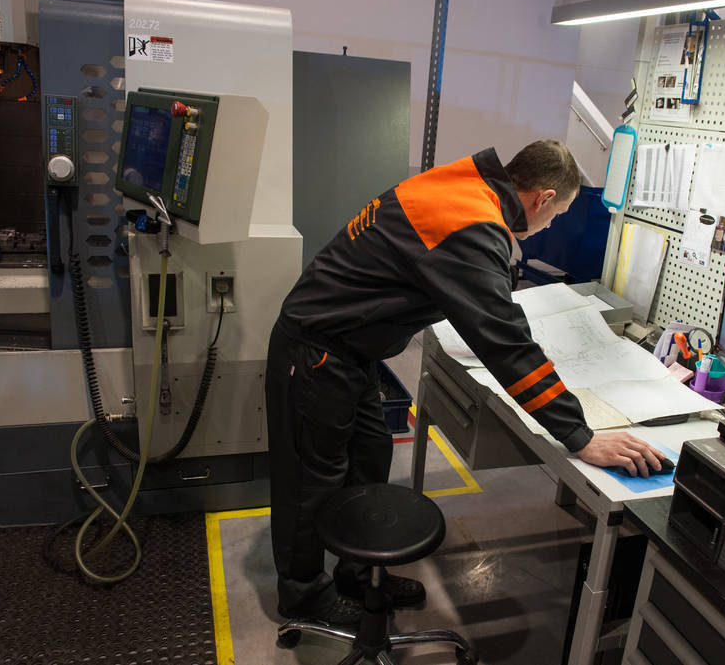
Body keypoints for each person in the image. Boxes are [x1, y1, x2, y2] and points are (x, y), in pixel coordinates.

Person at [266, 140, 667, 627]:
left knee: (368, 457)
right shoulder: (472, 224)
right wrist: (579, 436)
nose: (550, 225)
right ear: (542, 198)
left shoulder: (464, 185)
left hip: (352, 351)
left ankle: (357, 573)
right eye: (556, 214)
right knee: (311, 480)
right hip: (316, 352)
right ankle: (303, 595)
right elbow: (505, 343)